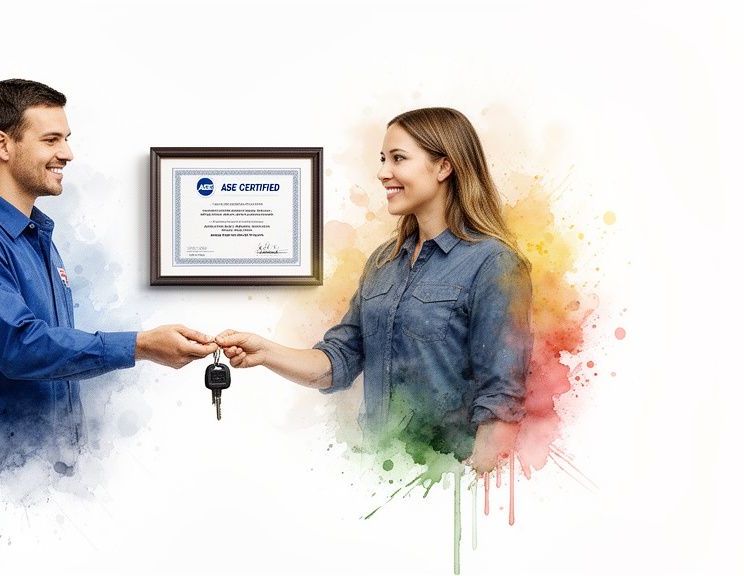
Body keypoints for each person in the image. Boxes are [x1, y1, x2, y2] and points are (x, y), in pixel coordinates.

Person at [0, 79, 217, 477]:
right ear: (3, 145)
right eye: (52, 140)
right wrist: (142, 345)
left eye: (67, 139)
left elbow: (54, 358)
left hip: (43, 475)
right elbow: (20, 347)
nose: (68, 154)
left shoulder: (35, 238)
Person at [216, 108, 532, 475]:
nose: (383, 173)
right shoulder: (383, 261)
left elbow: (502, 400)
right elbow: (336, 364)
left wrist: (472, 489)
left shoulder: (495, 264)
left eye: (398, 158)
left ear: (443, 168)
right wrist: (264, 351)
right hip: (378, 475)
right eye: (383, 159)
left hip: (445, 482)